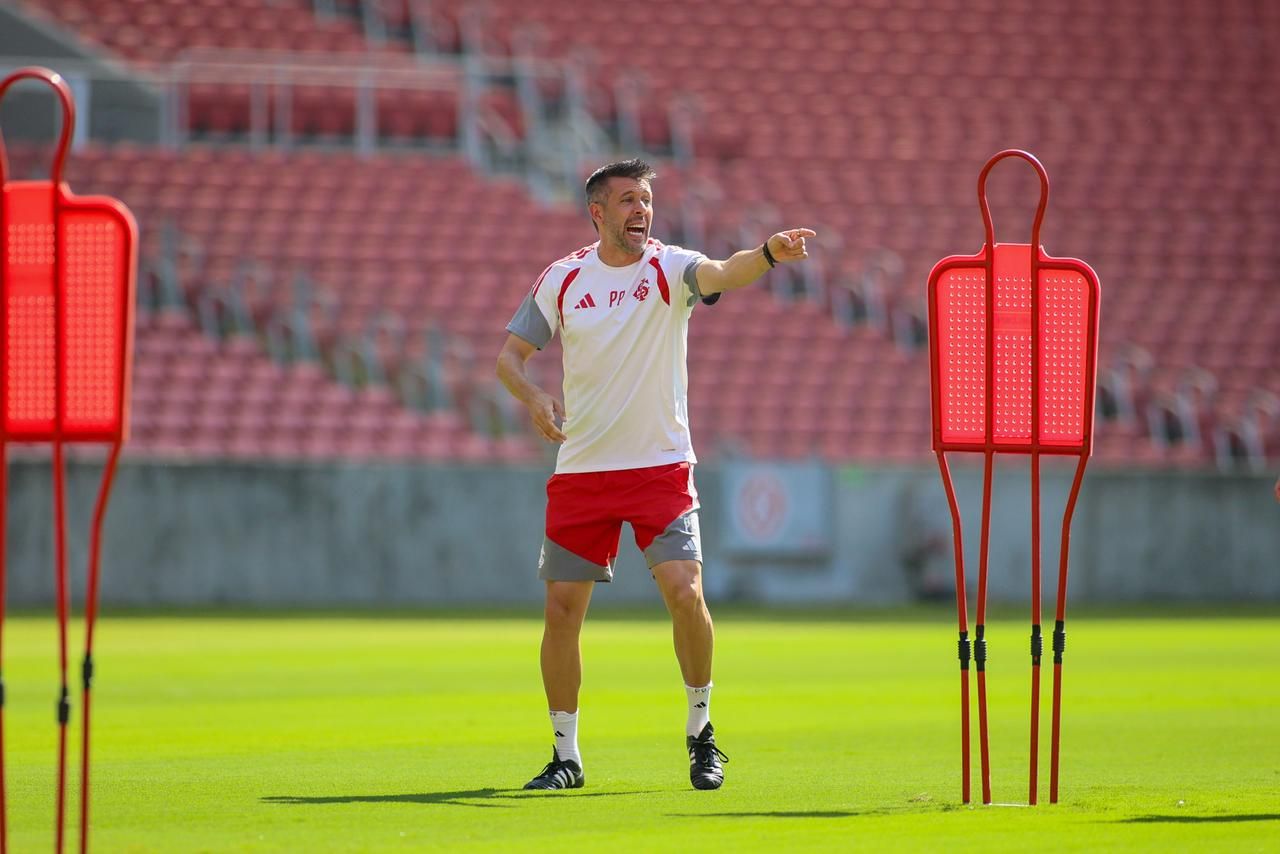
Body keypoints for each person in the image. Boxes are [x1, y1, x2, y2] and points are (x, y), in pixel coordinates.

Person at [496, 158, 814, 792]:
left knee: (686, 594)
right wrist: (533, 399)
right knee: (561, 612)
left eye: (645, 199)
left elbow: (725, 270)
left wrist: (769, 254)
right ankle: (566, 756)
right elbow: (509, 357)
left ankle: (702, 735)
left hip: (659, 467)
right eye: (626, 201)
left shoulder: (671, 267)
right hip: (583, 469)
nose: (640, 210)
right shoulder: (562, 280)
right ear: (598, 212)